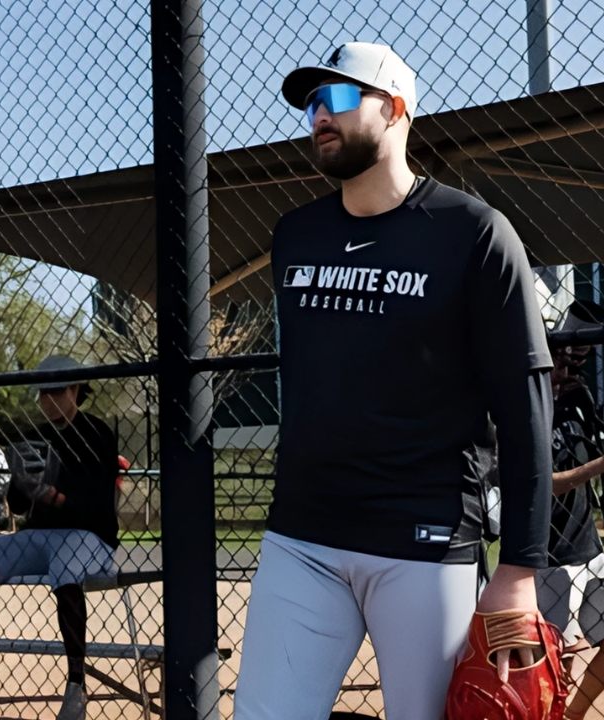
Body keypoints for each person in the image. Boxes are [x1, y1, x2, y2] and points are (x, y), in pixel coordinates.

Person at [235, 42, 554, 720]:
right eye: (313, 104)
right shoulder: (295, 235)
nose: (321, 116)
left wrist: (520, 571)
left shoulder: (475, 233)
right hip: (303, 536)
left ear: (398, 108)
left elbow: (525, 405)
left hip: (424, 544)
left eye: (341, 99)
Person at [0, 355, 119, 720]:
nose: (47, 400)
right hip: (41, 535)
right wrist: (20, 485)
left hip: (91, 537)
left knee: (67, 561)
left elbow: (97, 506)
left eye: (56, 391)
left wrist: (52, 495)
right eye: (43, 393)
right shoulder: (37, 434)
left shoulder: (98, 433)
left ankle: (76, 685)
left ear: (77, 390)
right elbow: (18, 506)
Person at [538, 337, 604, 720]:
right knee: (554, 658)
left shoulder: (572, 411)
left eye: (568, 367)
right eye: (556, 368)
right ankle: (550, 713)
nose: (564, 375)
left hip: (590, 548)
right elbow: (548, 484)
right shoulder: (524, 416)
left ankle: (571, 713)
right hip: (551, 556)